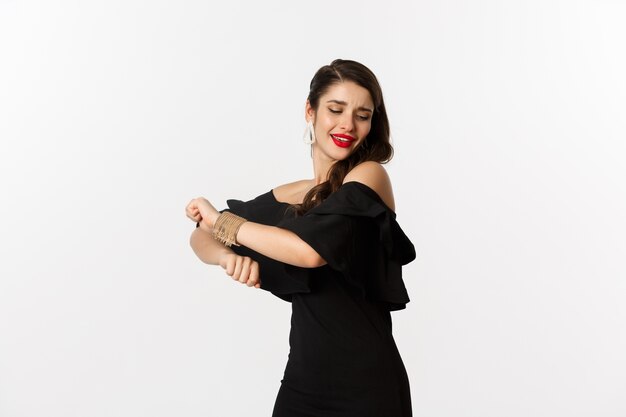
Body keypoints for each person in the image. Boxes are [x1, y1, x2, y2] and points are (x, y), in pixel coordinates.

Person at [185, 59, 416, 417]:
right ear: (310, 111)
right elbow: (201, 234)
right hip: (303, 386)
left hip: (367, 389)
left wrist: (222, 221)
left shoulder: (369, 177)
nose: (347, 125)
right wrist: (226, 256)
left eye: (363, 115)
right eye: (336, 109)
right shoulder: (291, 195)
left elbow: (309, 253)